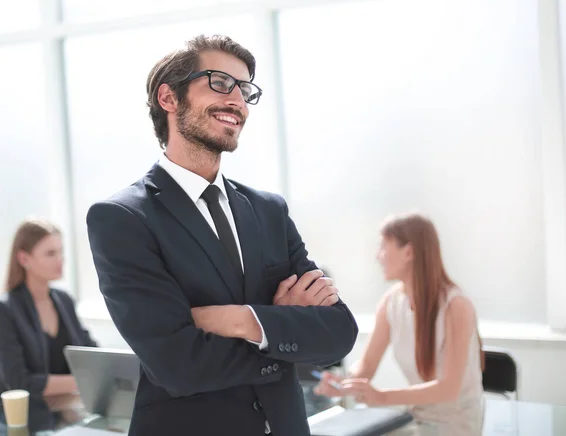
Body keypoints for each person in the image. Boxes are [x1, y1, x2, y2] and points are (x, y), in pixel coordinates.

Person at [86, 34, 358, 436]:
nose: (238, 101)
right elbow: (177, 364)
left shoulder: (268, 210)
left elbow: (339, 332)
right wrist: (285, 330)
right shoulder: (122, 218)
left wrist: (244, 321)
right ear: (169, 98)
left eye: (245, 89)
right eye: (219, 82)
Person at [315, 213, 484, 436]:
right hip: (414, 419)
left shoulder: (456, 306)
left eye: (384, 246)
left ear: (409, 252)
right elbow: (366, 366)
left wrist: (382, 397)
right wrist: (344, 383)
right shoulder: (391, 302)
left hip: (456, 426)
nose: (378, 256)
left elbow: (449, 389)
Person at [0, 218, 97, 400]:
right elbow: (18, 382)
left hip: (67, 409)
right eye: (51, 253)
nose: (60, 260)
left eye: (61, 251)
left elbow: (91, 352)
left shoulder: (64, 300)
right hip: (25, 417)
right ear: (24, 258)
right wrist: (81, 380)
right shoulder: (5, 309)